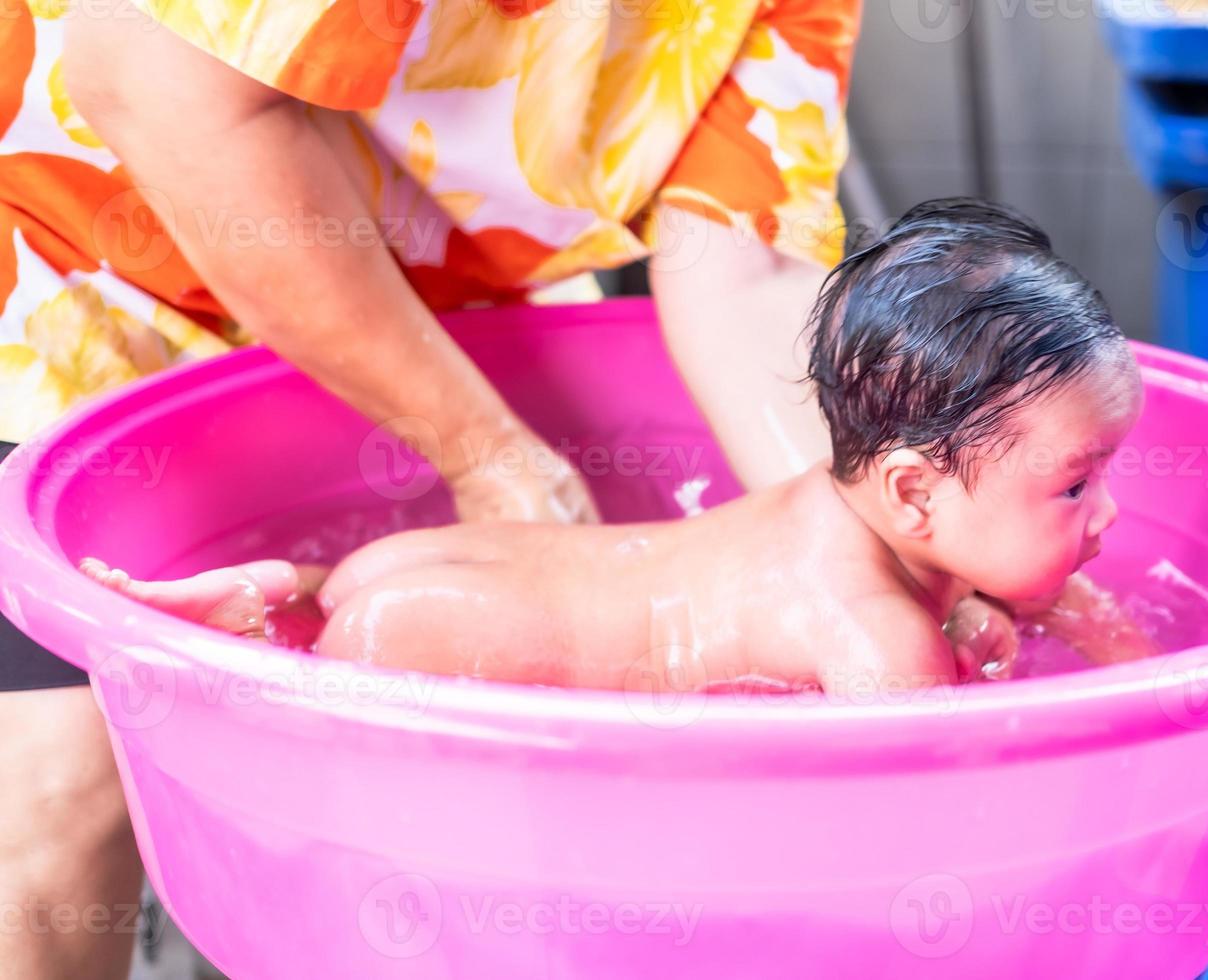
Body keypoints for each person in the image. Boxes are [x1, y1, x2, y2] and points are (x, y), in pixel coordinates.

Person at [0, 0, 858, 975]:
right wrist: (486, 454)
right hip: (72, 255)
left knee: (514, 734)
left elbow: (746, 267)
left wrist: (863, 541)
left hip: (436, 294)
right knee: (63, 774)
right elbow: (153, 81)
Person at [79, 200, 1159, 694]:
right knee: (348, 651)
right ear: (916, 491)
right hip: (451, 638)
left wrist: (997, 598)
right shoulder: (881, 641)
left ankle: (280, 594)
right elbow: (922, 815)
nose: (1108, 512)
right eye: (1076, 482)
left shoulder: (837, 504)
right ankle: (291, 615)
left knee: (335, 607)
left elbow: (988, 581)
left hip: (455, 571)